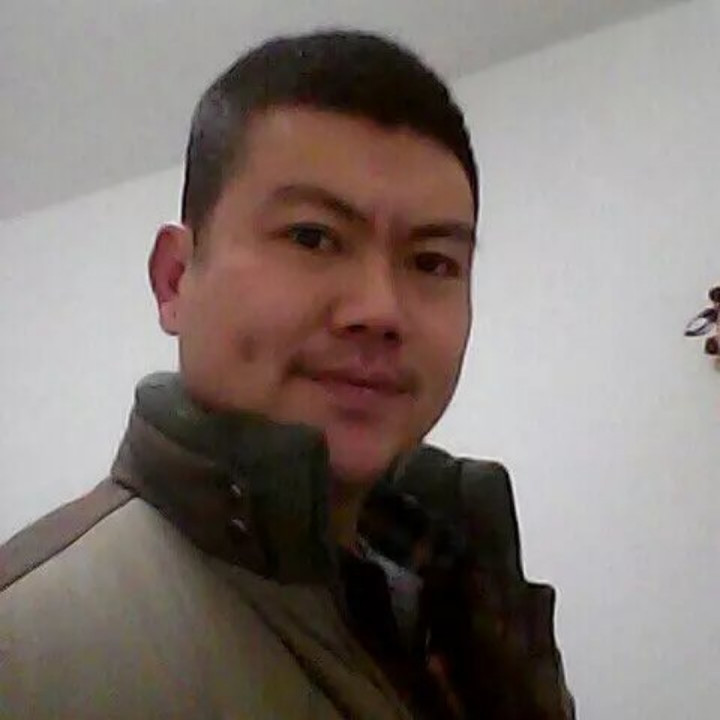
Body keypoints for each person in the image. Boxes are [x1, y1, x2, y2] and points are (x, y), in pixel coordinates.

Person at [0, 31, 574, 719]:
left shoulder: (468, 595)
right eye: (311, 236)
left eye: (432, 262)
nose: (380, 310)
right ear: (175, 280)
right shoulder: (26, 649)